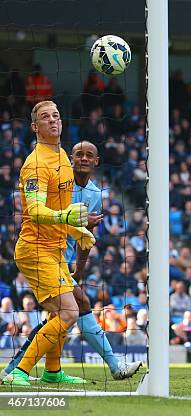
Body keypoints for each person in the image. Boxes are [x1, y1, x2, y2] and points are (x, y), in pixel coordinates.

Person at [0, 141, 142, 382]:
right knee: (76, 307)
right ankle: (114, 365)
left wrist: (79, 270)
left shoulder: (95, 194)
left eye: (89, 155)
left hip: (63, 260)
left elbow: (85, 237)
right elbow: (39, 211)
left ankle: (45, 372)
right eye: (78, 155)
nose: (83, 159)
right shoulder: (56, 180)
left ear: (96, 161)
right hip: (41, 252)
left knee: (62, 315)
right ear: (70, 159)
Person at [3, 101, 93, 386]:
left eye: (56, 115)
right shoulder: (36, 164)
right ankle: (19, 371)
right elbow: (36, 211)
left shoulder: (64, 156)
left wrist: (76, 230)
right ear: (35, 127)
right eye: (45, 117)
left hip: (54, 248)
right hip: (34, 249)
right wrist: (68, 216)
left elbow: (59, 209)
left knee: (61, 312)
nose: (53, 120)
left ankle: (53, 371)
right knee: (69, 311)